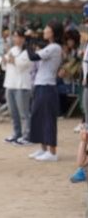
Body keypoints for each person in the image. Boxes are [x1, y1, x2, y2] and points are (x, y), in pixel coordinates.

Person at [27, 21, 63, 162]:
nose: (45, 29)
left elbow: (33, 56)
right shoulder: (50, 46)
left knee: (48, 118)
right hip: (41, 85)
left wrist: (28, 41)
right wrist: (32, 41)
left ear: (53, 31)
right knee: (39, 117)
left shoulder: (55, 47)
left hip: (47, 86)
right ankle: (43, 149)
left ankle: (52, 152)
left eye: (47, 27)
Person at [2, 28, 32, 145]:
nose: (16, 39)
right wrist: (5, 60)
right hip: (10, 83)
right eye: (14, 36)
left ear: (24, 38)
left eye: (19, 37)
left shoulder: (28, 51)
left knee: (24, 113)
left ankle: (27, 136)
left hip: (22, 85)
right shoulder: (12, 49)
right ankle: (16, 134)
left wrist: (12, 60)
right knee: (13, 112)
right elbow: (5, 65)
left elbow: (23, 65)